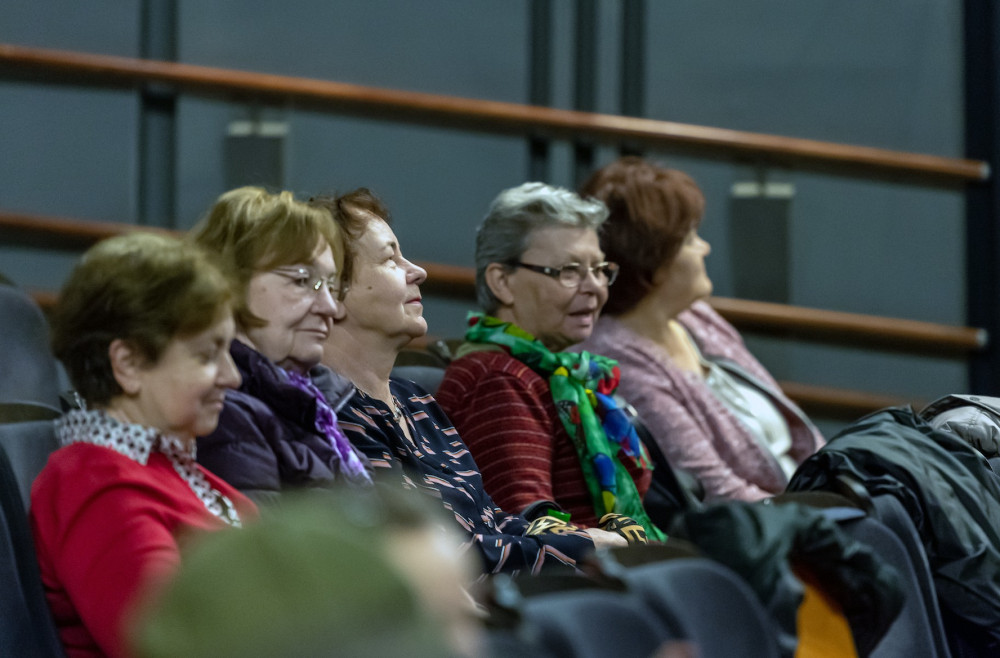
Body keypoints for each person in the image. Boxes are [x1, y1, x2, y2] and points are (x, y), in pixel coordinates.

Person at [313, 188, 628, 576]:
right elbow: (432, 554)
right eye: (390, 259)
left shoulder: (414, 400)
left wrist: (586, 539)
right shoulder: (330, 414)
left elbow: (491, 520)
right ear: (331, 289)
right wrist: (579, 547)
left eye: (600, 269)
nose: (418, 271)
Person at [32, 233, 257, 658]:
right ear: (128, 364)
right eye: (207, 355)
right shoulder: (98, 486)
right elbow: (171, 646)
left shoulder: (163, 465)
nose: (233, 377)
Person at [576, 156, 823, 501]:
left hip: (805, 502)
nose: (705, 247)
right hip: (769, 523)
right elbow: (716, 492)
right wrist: (821, 513)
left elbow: (804, 437)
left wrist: (839, 481)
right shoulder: (619, 360)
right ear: (654, 262)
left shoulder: (695, 317)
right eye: (691, 238)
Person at [435, 182, 663, 539]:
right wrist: (628, 547)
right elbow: (532, 534)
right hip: (582, 572)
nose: (595, 287)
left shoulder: (555, 374)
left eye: (600, 269)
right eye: (569, 271)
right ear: (502, 282)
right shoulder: (498, 380)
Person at [190, 187, 372, 505]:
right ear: (228, 284)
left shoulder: (312, 407)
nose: (330, 307)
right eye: (302, 280)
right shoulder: (220, 410)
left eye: (330, 285)